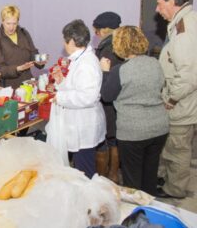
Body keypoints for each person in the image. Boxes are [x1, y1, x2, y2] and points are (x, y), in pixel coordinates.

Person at [100, 26, 169, 196]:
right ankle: (151, 210)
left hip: (133, 132)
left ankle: (137, 216)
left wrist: (105, 73)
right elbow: (160, 86)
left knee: (132, 181)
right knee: (150, 176)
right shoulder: (155, 63)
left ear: (119, 45)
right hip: (159, 127)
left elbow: (107, 96)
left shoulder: (120, 70)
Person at [47, 19, 106, 178]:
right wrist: (61, 82)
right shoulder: (79, 59)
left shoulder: (86, 63)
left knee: (85, 172)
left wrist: (59, 97)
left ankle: (90, 201)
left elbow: (87, 96)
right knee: (80, 169)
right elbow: (76, 86)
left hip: (84, 125)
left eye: (64, 39)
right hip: (79, 123)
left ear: (72, 41)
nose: (63, 44)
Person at [155, 0, 197, 198]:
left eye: (160, 4)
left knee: (178, 149)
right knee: (172, 146)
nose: (157, 9)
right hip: (184, 100)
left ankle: (175, 190)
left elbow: (189, 74)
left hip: (182, 103)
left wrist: (171, 99)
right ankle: (167, 179)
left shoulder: (184, 29)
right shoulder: (183, 22)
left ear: (172, 2)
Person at [92, 12, 123, 183]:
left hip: (108, 95)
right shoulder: (119, 43)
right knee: (114, 138)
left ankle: (106, 175)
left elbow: (106, 74)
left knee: (106, 137)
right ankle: (113, 173)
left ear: (105, 30)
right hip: (117, 96)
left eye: (97, 31)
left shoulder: (108, 48)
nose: (96, 35)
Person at [0, 5, 45, 89]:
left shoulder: (24, 34)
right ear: (2, 21)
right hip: (9, 87)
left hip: (28, 84)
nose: (11, 27)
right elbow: (0, 68)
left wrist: (40, 61)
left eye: (14, 23)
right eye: (8, 23)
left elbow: (33, 53)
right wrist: (18, 69)